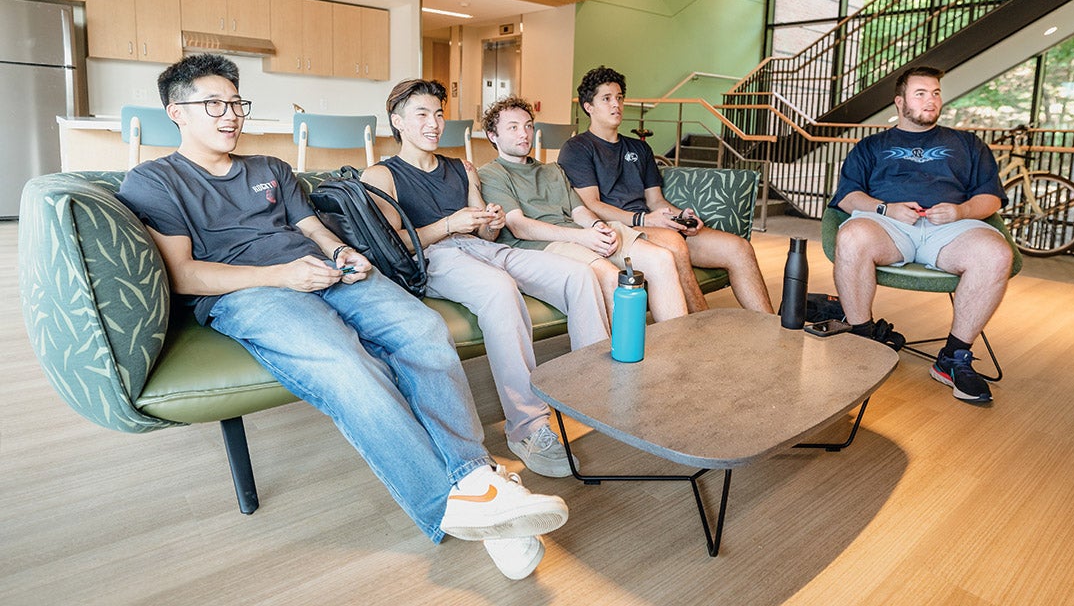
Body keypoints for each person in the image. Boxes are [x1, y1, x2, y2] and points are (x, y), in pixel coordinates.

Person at [116, 54, 567, 581]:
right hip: (252, 294)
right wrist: (281, 276)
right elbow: (183, 275)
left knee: (423, 329)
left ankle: (473, 477)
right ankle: (459, 506)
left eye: (236, 102)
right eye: (213, 103)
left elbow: (312, 228)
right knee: (344, 362)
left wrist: (342, 254)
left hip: (323, 272)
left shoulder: (271, 169)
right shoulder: (155, 180)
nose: (230, 114)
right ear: (177, 112)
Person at [361, 79, 609, 480]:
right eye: (422, 114)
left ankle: (592, 391)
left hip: (484, 250)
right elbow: (395, 245)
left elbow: (486, 234)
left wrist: (489, 221)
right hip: (436, 258)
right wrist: (448, 224)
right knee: (499, 289)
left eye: (439, 114)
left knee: (579, 275)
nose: (434, 123)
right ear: (398, 122)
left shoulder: (461, 168)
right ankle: (528, 428)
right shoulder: (381, 175)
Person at [829, 65, 1013, 404]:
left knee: (996, 253)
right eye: (921, 93)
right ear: (899, 102)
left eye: (936, 93)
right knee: (852, 235)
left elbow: (989, 197)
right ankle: (864, 341)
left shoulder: (967, 144)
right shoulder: (871, 147)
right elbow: (848, 196)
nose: (931, 100)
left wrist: (961, 211)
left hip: (950, 229)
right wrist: (886, 208)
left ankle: (953, 358)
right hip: (891, 226)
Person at [558, 65, 773, 315]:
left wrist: (680, 216)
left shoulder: (639, 149)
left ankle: (770, 328)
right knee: (673, 242)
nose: (615, 104)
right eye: (606, 99)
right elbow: (591, 205)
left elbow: (656, 200)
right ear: (589, 107)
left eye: (619, 98)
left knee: (739, 248)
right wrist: (644, 219)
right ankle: (702, 328)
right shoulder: (577, 148)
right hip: (620, 230)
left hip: (651, 225)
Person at [477, 96, 689, 324]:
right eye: (513, 127)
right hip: (543, 246)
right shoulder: (491, 174)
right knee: (609, 276)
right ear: (493, 135)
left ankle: (677, 349)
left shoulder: (552, 170)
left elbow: (579, 211)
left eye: (528, 125)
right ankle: (620, 356)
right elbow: (520, 227)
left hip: (580, 234)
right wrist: (582, 236)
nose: (524, 133)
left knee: (662, 259)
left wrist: (598, 227)